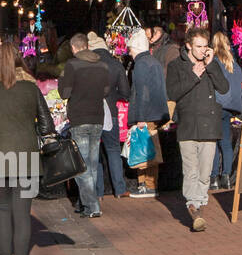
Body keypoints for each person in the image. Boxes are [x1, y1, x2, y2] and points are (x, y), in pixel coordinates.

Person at [0, 42, 54, 255]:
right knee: (23, 213)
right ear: (18, 59)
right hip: (26, 154)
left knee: (2, 211)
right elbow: (47, 125)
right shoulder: (30, 87)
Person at [166, 26, 229, 232]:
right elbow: (172, 92)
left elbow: (224, 88)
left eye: (205, 46)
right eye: (198, 46)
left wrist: (211, 66)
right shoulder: (177, 66)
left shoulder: (211, 64)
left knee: (205, 172)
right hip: (188, 125)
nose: (202, 50)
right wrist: (193, 75)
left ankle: (199, 203)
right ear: (188, 46)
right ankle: (193, 206)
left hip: (209, 125)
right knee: (190, 170)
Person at [58, 33, 112, 218]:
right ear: (87, 46)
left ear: (74, 48)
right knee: (92, 164)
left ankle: (92, 205)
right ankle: (86, 203)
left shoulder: (72, 65)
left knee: (82, 165)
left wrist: (63, 81)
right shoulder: (102, 65)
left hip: (79, 118)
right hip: (97, 117)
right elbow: (106, 90)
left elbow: (65, 93)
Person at [87, 31, 131, 200]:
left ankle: (98, 193)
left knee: (95, 153)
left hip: (91, 112)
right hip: (111, 111)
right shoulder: (115, 64)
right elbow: (125, 92)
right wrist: (114, 97)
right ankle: (119, 189)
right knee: (113, 150)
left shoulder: (87, 65)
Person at [125, 28, 168, 197]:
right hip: (155, 111)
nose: (129, 53)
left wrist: (140, 117)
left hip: (146, 113)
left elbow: (142, 92)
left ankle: (147, 185)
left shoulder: (141, 64)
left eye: (130, 49)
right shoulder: (153, 62)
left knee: (145, 150)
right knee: (148, 148)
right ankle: (146, 184)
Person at [210, 32, 242, 191]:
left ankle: (214, 177)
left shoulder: (214, 63)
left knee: (214, 142)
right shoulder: (233, 63)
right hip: (230, 107)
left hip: (216, 105)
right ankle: (227, 177)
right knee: (226, 143)